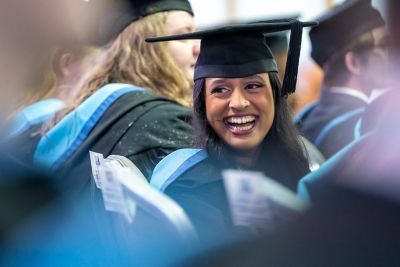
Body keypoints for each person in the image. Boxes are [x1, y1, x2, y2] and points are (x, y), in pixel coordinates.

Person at [147, 20, 316, 238]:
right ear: (202, 103)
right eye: (221, 89)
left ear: (275, 96)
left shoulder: (298, 165)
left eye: (253, 86)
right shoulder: (189, 188)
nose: (238, 103)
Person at [32, 0, 199, 183]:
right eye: (183, 36)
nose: (198, 48)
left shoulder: (93, 112)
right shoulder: (168, 123)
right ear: (146, 48)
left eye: (196, 36)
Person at [296, 0, 390, 158]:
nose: (393, 53)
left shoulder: (306, 117)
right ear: (354, 62)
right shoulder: (362, 129)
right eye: (384, 45)